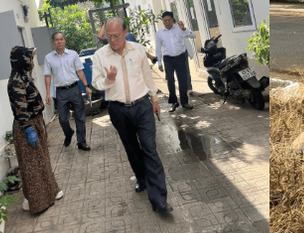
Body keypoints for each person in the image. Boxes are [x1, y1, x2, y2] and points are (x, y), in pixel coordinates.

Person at [91, 17, 172, 214]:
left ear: (125, 33)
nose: (112, 40)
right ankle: (141, 178)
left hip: (142, 105)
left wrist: (154, 99)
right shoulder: (100, 56)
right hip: (118, 109)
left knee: (150, 148)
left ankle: (159, 199)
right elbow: (96, 83)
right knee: (131, 148)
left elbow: (146, 74)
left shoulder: (137, 50)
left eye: (116, 36)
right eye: (109, 36)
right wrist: (108, 80)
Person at [7, 46, 63, 213]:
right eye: (29, 59)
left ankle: (47, 193)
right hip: (27, 127)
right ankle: (37, 202)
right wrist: (29, 129)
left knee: (40, 160)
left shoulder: (23, 76)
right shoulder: (16, 81)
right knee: (32, 165)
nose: (32, 62)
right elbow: (20, 110)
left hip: (35, 123)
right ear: (21, 60)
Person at [43, 32, 92, 151]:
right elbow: (47, 76)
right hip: (60, 92)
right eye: (56, 40)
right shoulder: (48, 58)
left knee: (80, 117)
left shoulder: (73, 54)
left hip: (74, 89)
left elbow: (80, 71)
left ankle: (82, 141)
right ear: (53, 42)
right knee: (63, 119)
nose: (59, 41)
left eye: (61, 39)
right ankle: (69, 133)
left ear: (65, 41)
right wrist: (48, 93)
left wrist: (86, 85)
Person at [156, 11, 196, 112]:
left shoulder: (179, 28)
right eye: (165, 20)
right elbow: (158, 48)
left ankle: (184, 102)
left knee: (182, 80)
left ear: (173, 20)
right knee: (170, 80)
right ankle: (174, 102)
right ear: (163, 22)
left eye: (169, 20)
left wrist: (184, 29)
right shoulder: (159, 33)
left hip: (180, 57)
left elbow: (193, 36)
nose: (167, 22)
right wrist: (159, 63)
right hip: (168, 59)